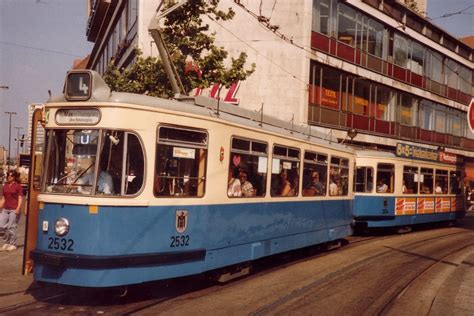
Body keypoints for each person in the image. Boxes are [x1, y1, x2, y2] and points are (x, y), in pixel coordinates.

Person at [0, 171, 24, 251]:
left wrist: (18, 208)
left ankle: (13, 244)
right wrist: (0, 206)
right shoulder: (5, 186)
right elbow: (3, 198)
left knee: (11, 227)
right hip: (5, 209)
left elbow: (20, 198)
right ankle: (6, 242)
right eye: (8, 175)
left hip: (14, 209)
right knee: (1, 226)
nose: (9, 177)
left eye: (11, 175)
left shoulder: (18, 186)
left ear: (14, 177)